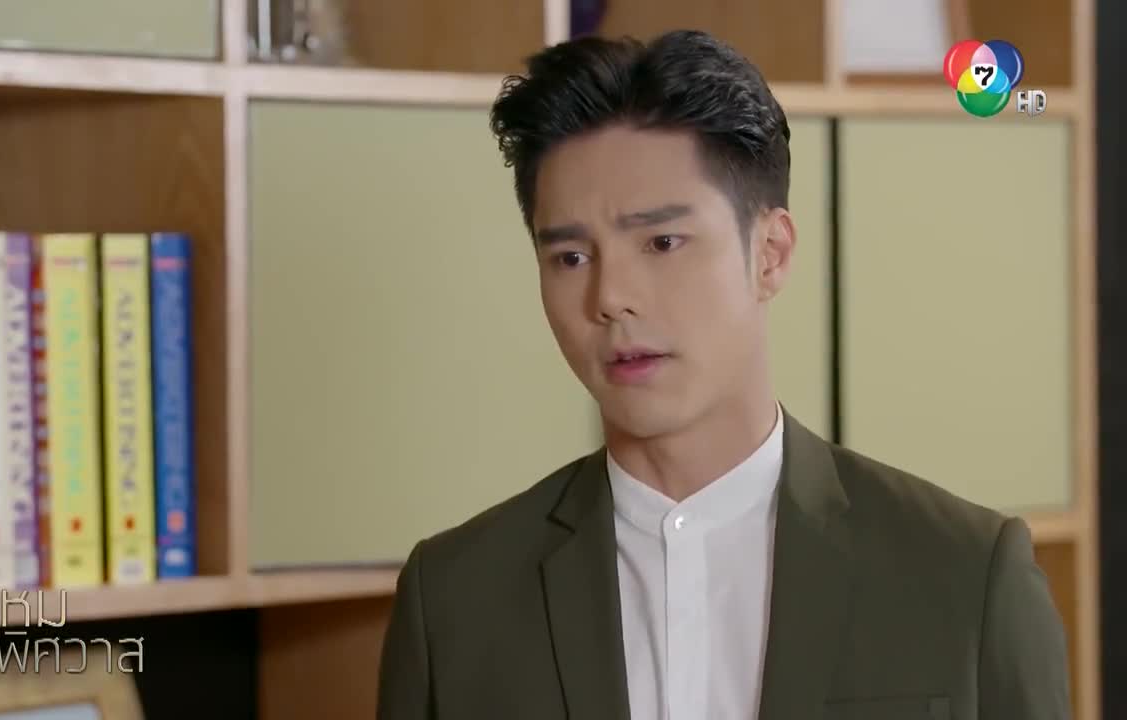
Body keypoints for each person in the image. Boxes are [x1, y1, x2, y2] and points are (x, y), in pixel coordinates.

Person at [376, 29, 1071, 720]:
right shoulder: (455, 602)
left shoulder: (966, 574)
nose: (610, 297)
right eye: (571, 258)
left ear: (769, 254)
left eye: (662, 242)